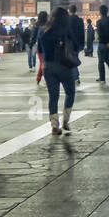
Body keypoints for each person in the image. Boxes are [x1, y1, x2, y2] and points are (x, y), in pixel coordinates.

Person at [39, 7, 80, 135]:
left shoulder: (42, 30)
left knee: (53, 96)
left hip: (48, 67)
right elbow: (76, 45)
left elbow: (40, 48)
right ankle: (66, 121)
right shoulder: (65, 30)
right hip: (64, 66)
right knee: (70, 92)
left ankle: (54, 126)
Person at [33, 9, 49, 86]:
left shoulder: (36, 25)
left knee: (43, 63)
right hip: (47, 47)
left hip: (39, 46)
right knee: (44, 63)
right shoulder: (48, 25)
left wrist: (31, 44)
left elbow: (34, 36)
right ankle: (43, 79)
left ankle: (39, 79)